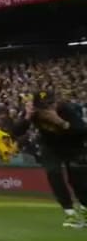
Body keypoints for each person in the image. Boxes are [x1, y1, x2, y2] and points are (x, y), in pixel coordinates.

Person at [10, 90, 87, 227]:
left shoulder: (65, 109)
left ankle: (85, 209)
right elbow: (15, 132)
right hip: (50, 147)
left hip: (73, 147)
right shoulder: (34, 113)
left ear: (55, 102)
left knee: (77, 180)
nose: (46, 109)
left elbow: (82, 130)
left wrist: (61, 122)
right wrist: (27, 117)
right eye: (42, 106)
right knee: (53, 173)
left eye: (49, 105)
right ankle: (70, 212)